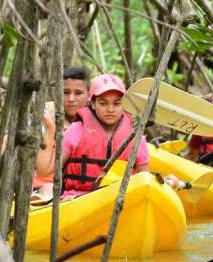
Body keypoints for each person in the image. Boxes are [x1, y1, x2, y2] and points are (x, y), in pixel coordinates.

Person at [45, 73, 150, 200]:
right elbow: (45, 171)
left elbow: (145, 180)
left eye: (117, 103)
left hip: (120, 199)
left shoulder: (136, 139)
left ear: (124, 104)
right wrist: (49, 129)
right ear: (93, 104)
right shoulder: (75, 131)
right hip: (77, 199)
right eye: (103, 103)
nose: (110, 109)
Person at [32, 67, 92, 203]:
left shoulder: (97, 118)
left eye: (78, 93)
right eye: (65, 92)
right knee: (47, 187)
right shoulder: (47, 115)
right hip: (43, 184)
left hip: (79, 187)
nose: (71, 99)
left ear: (89, 95)